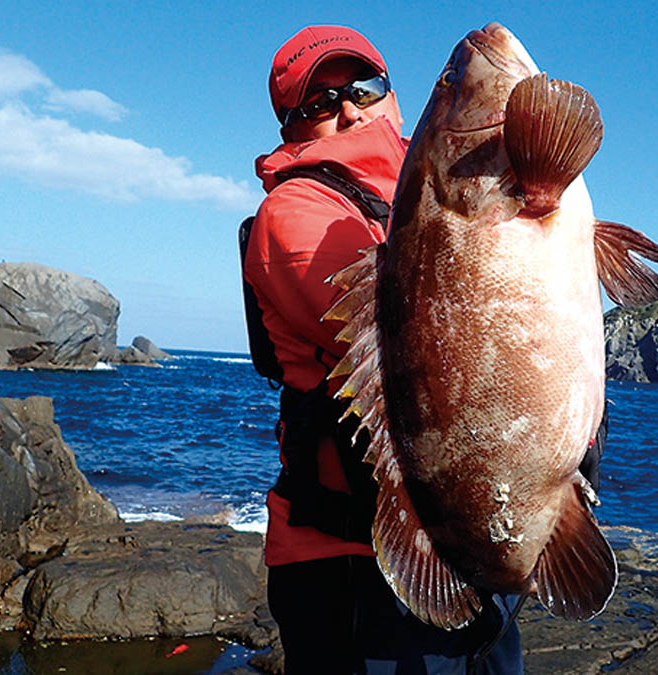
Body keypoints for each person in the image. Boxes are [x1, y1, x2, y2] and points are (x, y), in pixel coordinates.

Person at [239, 25, 523, 673]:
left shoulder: (430, 187)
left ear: (395, 97)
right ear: (291, 129)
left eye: (362, 87)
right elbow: (404, 340)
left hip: (465, 539)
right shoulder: (297, 212)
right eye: (317, 103)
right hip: (351, 563)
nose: (347, 109)